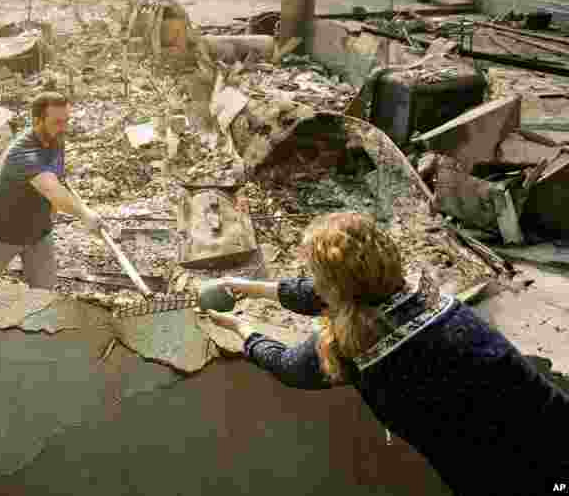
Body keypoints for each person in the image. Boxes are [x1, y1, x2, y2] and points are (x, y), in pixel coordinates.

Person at [199, 212, 569, 495]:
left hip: (503, 479)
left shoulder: (353, 348)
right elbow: (338, 292)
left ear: (329, 284)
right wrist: (248, 288)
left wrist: (242, 330)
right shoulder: (428, 296)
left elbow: (289, 366)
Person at [0, 92, 105, 289]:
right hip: (3, 232)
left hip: (39, 232)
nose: (64, 127)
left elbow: (59, 182)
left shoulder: (55, 140)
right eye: (57, 122)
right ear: (37, 121)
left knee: (44, 292)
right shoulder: (23, 152)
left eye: (66, 121)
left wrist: (85, 210)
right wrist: (83, 214)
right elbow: (53, 191)